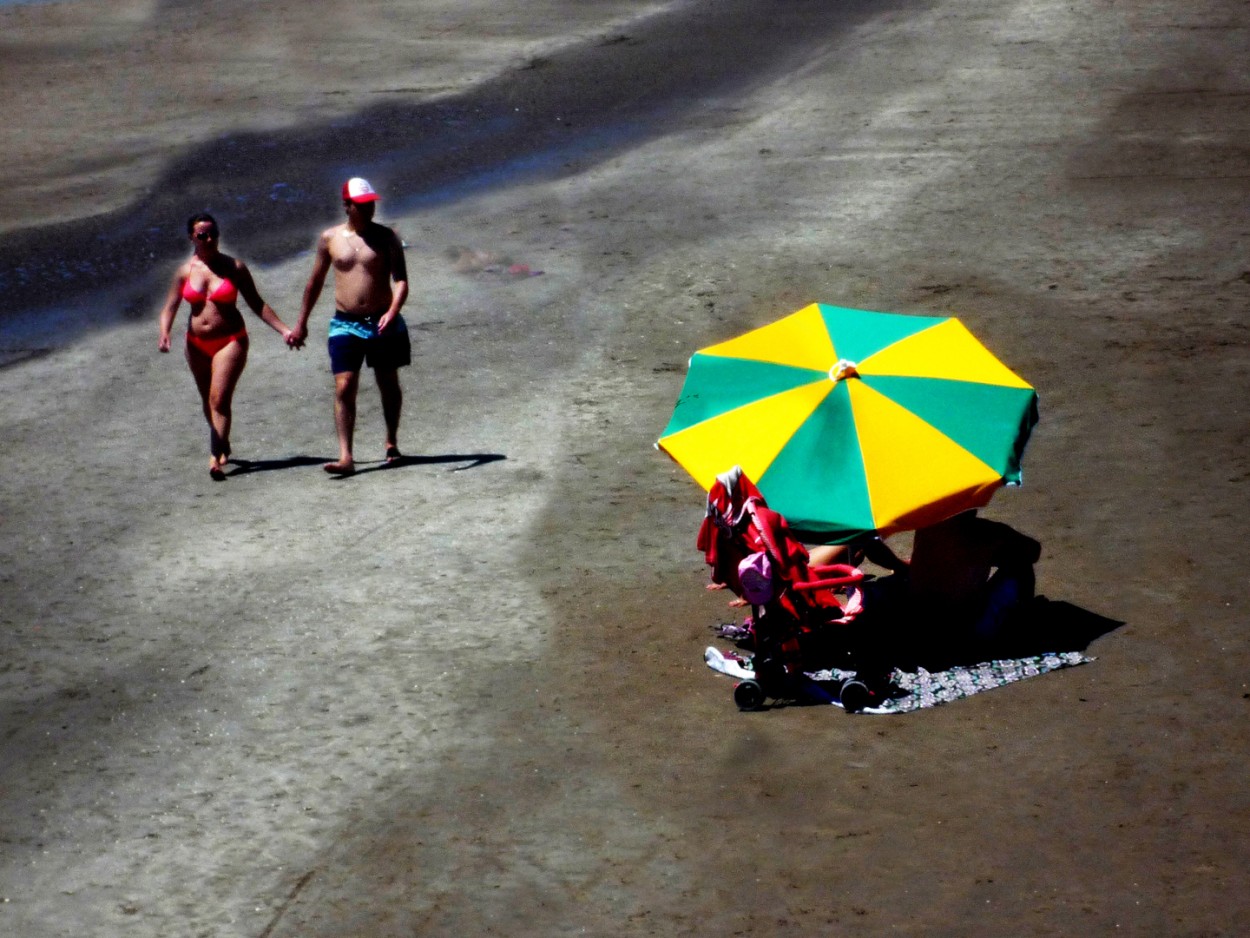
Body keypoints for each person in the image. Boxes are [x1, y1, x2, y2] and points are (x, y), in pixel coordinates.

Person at [158, 212, 298, 479]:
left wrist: (284, 330)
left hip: (230, 340)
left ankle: (215, 459)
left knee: (218, 399)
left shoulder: (235, 267)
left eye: (213, 234)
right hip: (196, 343)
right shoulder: (185, 272)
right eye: (202, 235)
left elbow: (257, 303)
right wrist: (165, 331)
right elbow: (170, 307)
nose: (209, 239)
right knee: (207, 401)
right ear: (192, 238)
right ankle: (222, 442)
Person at [292, 177, 410, 476]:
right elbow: (314, 283)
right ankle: (346, 456)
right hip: (345, 323)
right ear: (347, 206)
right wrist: (301, 323)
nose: (369, 208)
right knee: (344, 386)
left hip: (382, 320)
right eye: (362, 204)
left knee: (387, 382)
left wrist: (394, 311)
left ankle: (391, 442)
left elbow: (401, 280)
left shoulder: (386, 237)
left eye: (371, 203)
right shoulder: (329, 238)